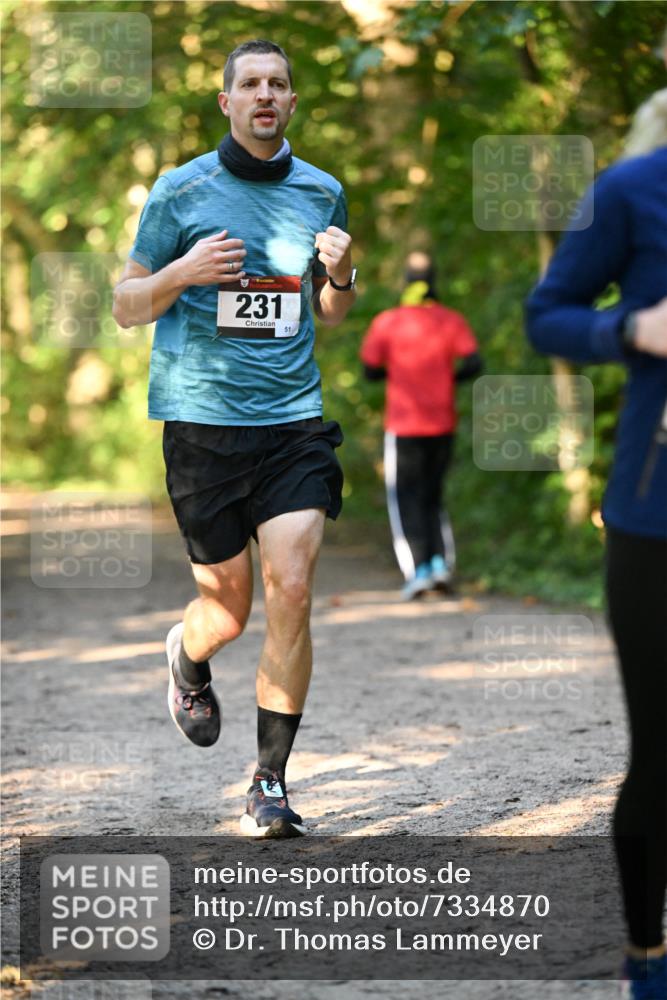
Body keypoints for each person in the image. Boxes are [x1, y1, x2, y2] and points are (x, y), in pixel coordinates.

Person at [112, 39, 356, 838]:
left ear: (291, 103)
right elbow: (126, 304)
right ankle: (187, 654)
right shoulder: (180, 190)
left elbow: (328, 313)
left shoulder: (322, 191)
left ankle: (270, 783)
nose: (264, 94)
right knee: (229, 608)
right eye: (249, 83)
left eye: (278, 84)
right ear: (226, 101)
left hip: (291, 421)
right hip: (202, 424)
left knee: (292, 585)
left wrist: (344, 276)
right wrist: (183, 273)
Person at [525, 89, 667, 1000]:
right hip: (656, 518)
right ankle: (645, 957)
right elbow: (547, 313)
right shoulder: (629, 191)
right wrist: (630, 327)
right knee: (660, 752)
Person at [360, 252, 482, 599]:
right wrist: (446, 380)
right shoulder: (450, 320)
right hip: (443, 422)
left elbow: (370, 370)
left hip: (403, 424)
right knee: (433, 495)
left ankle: (418, 572)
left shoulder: (388, 322)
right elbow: (474, 363)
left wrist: (398, 375)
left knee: (405, 498)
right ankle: (440, 566)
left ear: (405, 282)